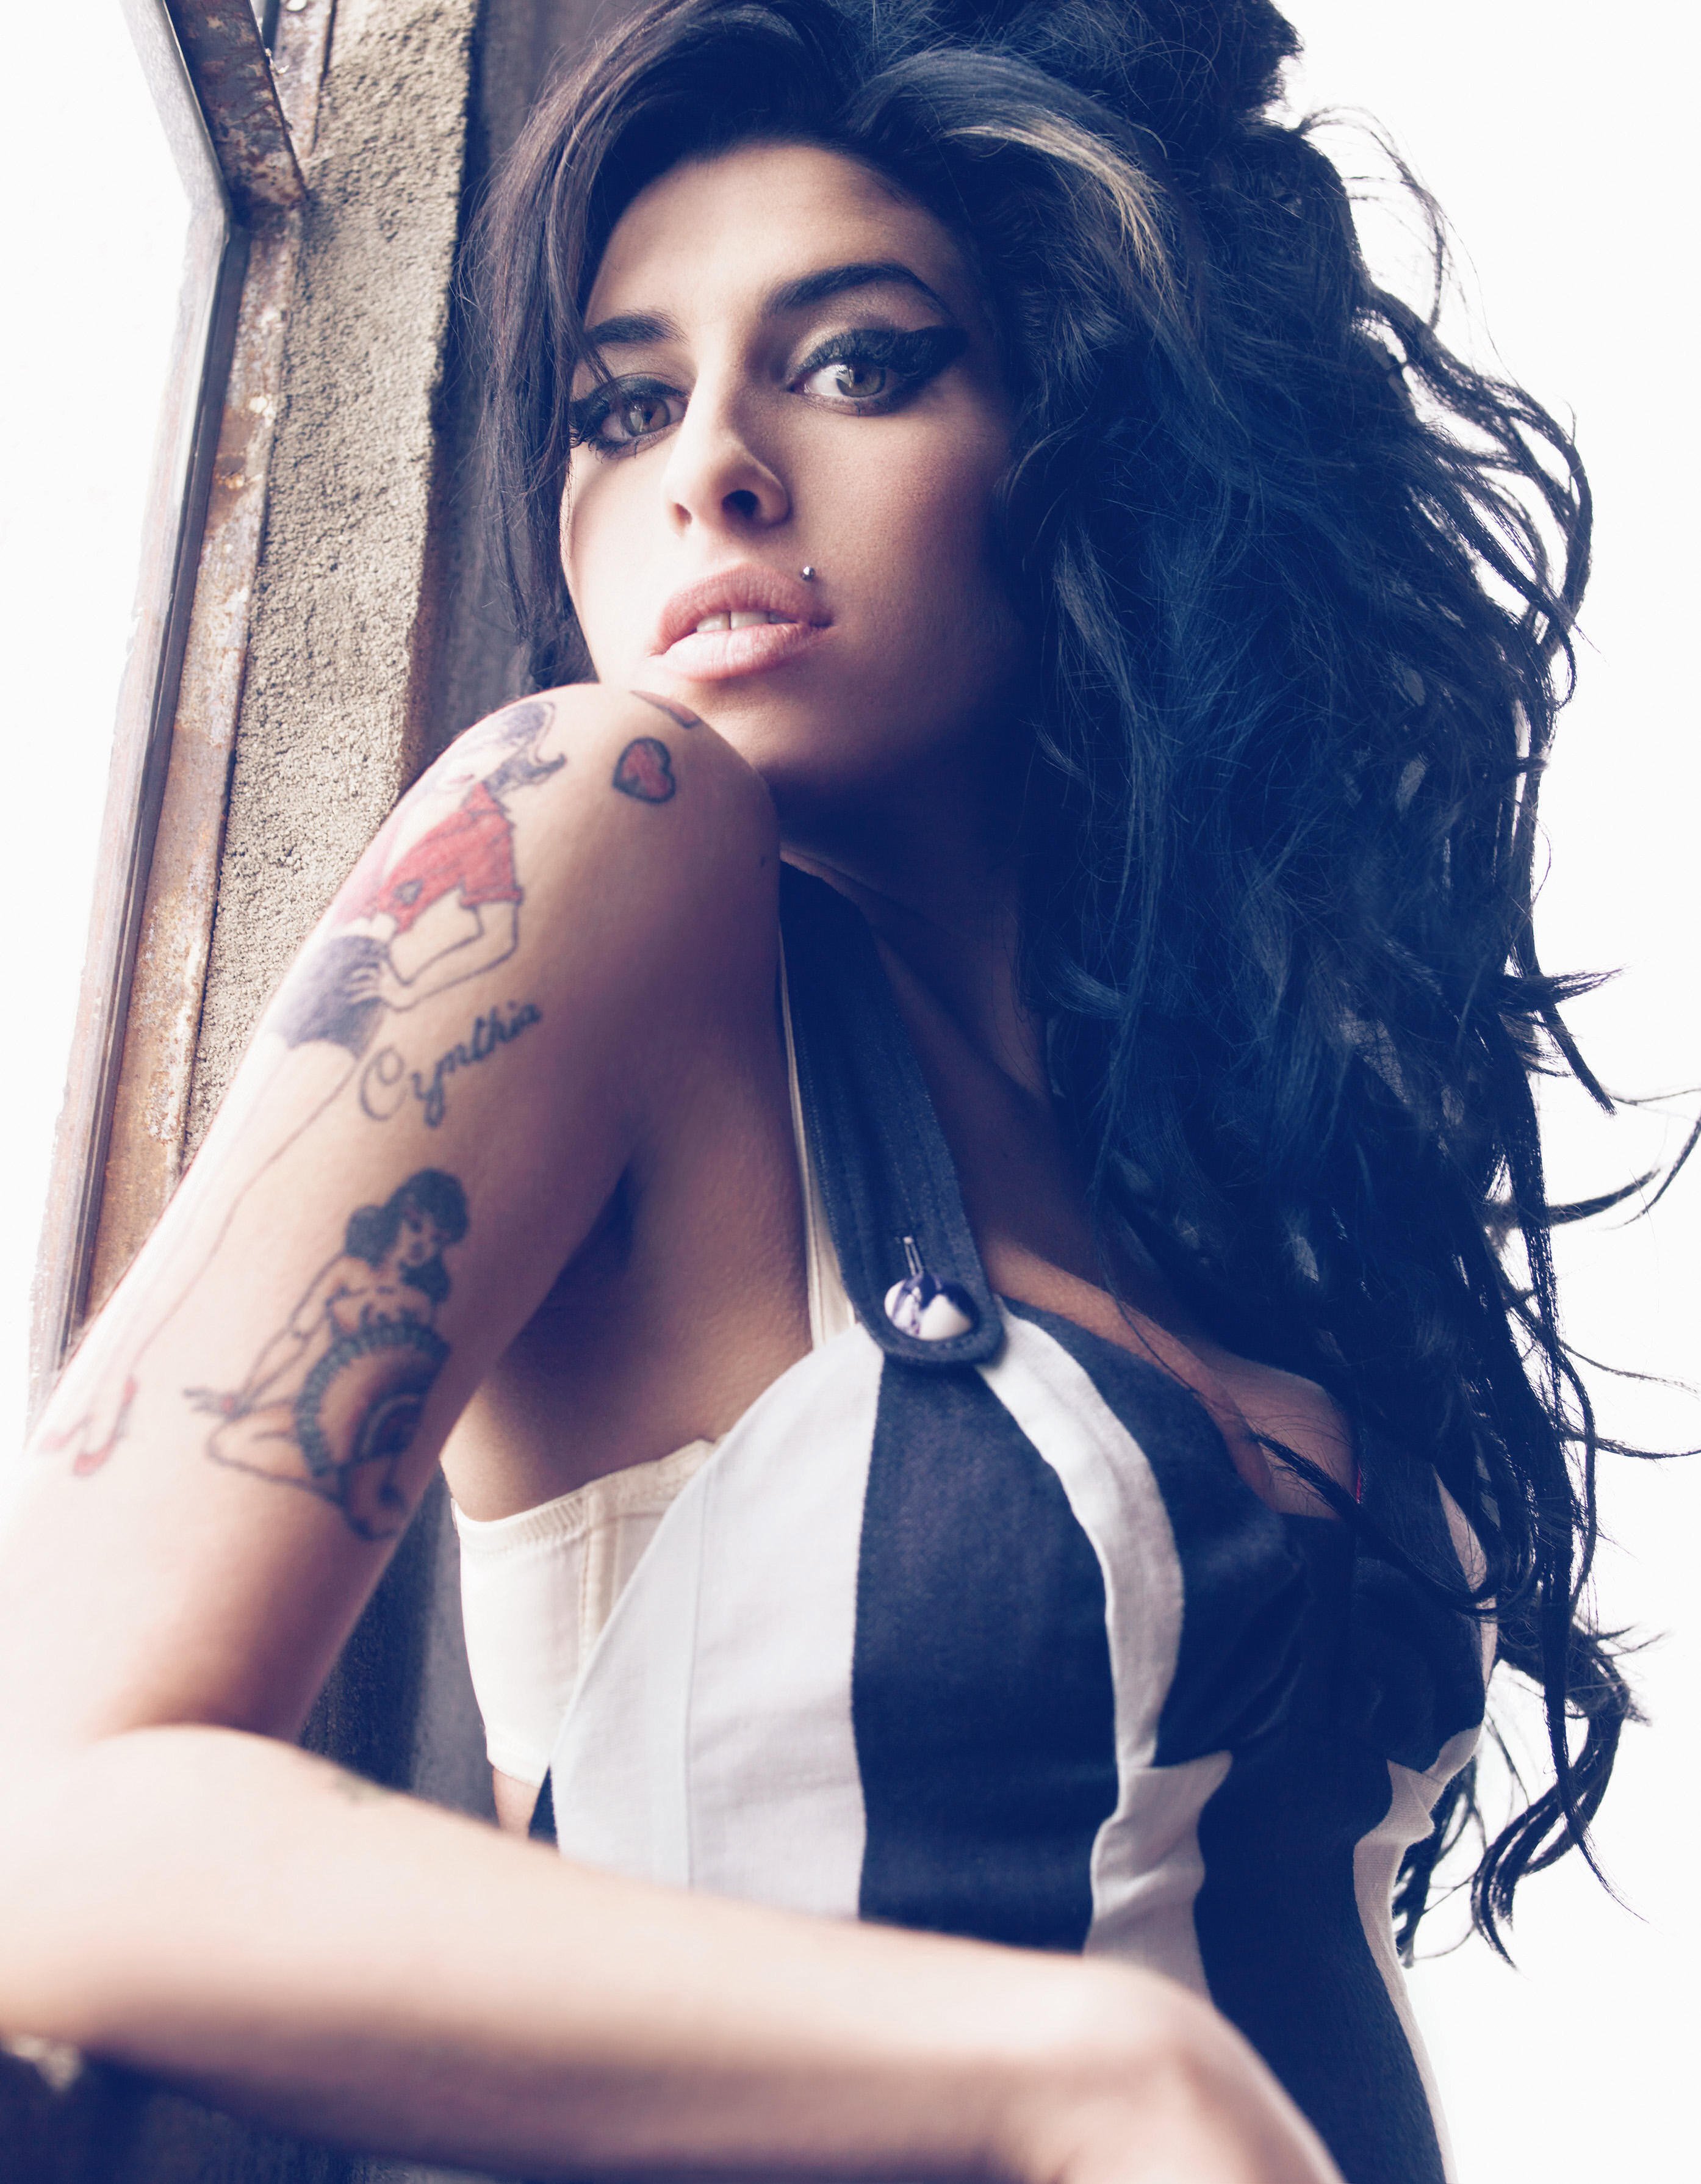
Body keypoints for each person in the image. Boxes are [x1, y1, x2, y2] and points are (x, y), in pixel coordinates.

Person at [0, 4, 1628, 2182]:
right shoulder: (595, 817)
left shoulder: (1224, 1184)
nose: (713, 468)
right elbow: (43, 1823)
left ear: (1079, 443)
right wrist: (1086, 2073)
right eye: (622, 404)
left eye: (858, 363)